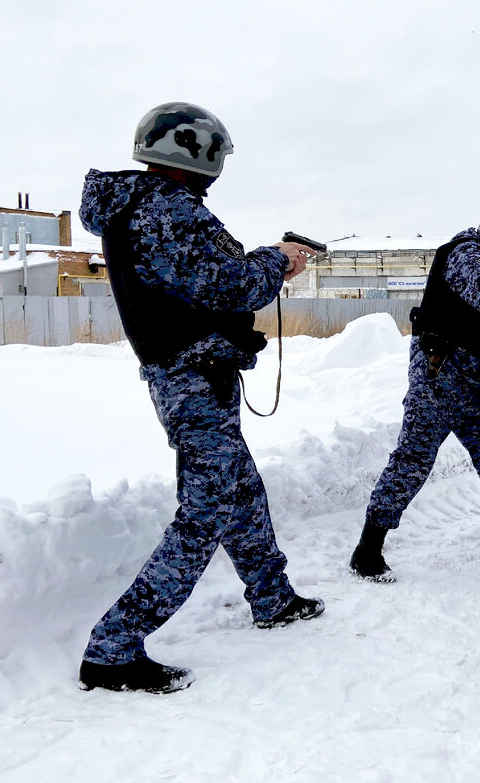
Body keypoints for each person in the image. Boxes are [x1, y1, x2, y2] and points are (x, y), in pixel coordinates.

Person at [76, 102, 323, 694]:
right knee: (205, 509)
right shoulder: (164, 208)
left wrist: (263, 263)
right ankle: (112, 649)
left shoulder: (141, 206)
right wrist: (277, 260)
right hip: (191, 378)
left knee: (238, 489)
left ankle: (272, 596)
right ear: (196, 153)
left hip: (193, 373)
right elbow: (226, 285)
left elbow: (201, 278)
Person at [350, 209, 480, 582]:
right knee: (412, 462)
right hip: (436, 381)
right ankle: (367, 549)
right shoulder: (465, 254)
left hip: (469, 387)